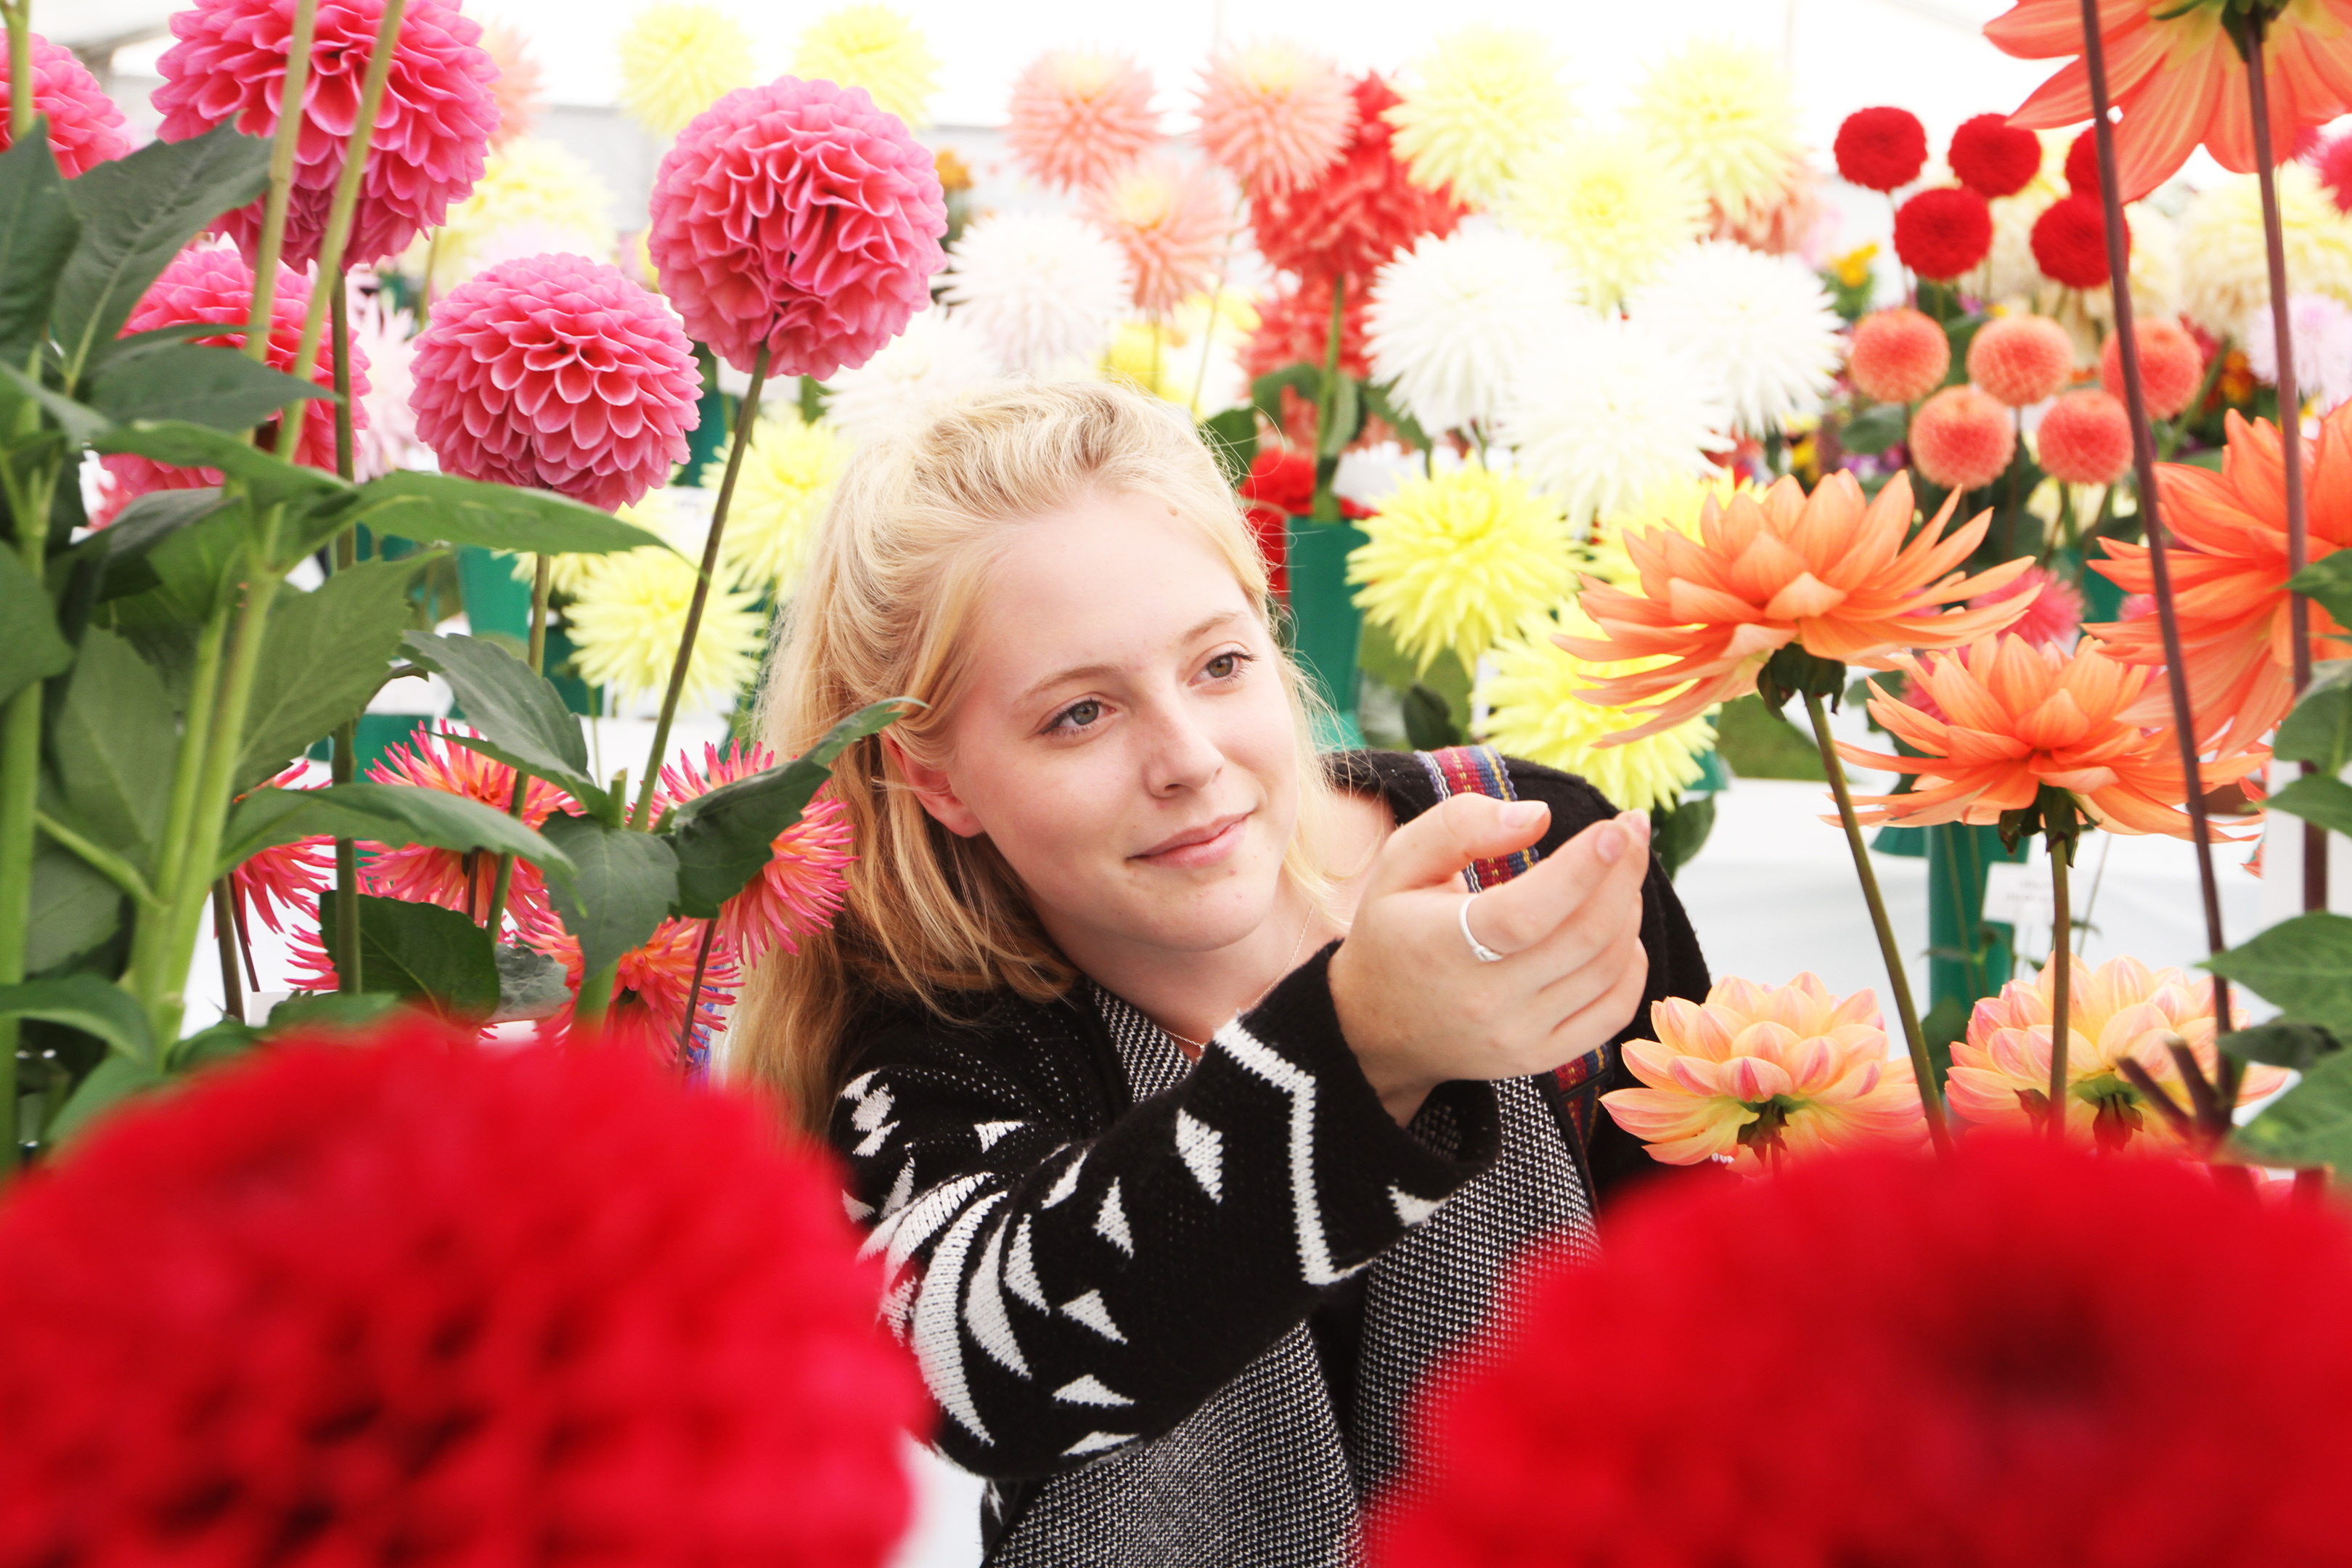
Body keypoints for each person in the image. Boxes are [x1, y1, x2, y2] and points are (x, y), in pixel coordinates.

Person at [732, 380, 1710, 1566]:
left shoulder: (1523, 854)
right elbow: (980, 1369)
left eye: (1219, 664)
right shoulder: (933, 1043)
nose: (1189, 761)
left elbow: (1722, 1302)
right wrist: (1360, 1051)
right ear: (937, 778)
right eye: (1080, 714)